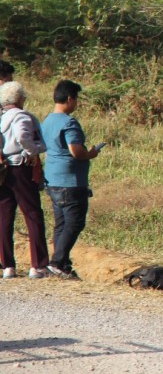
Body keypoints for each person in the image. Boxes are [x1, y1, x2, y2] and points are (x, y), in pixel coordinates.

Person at [42, 80, 103, 279]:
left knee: (61, 223)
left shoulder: (48, 120)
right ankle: (57, 262)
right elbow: (76, 151)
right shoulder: (69, 122)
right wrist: (91, 153)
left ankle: (61, 263)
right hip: (70, 180)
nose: (76, 104)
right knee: (75, 222)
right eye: (76, 99)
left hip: (52, 178)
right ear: (70, 99)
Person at [0, 81, 49, 278]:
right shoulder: (22, 116)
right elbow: (22, 136)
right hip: (20, 166)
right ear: (20, 99)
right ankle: (37, 265)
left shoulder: (1, 118)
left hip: (2, 169)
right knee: (33, 214)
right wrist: (32, 151)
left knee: (4, 216)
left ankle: (8, 266)